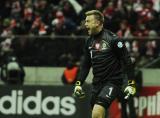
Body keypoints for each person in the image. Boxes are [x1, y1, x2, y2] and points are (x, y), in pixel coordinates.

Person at [73, 10, 136, 118]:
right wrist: (78, 84)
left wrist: (131, 84)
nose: (85, 24)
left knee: (97, 113)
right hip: (97, 83)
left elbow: (127, 61)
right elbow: (85, 65)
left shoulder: (114, 39)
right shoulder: (88, 41)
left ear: (97, 23)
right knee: (96, 114)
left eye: (88, 21)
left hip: (113, 82)